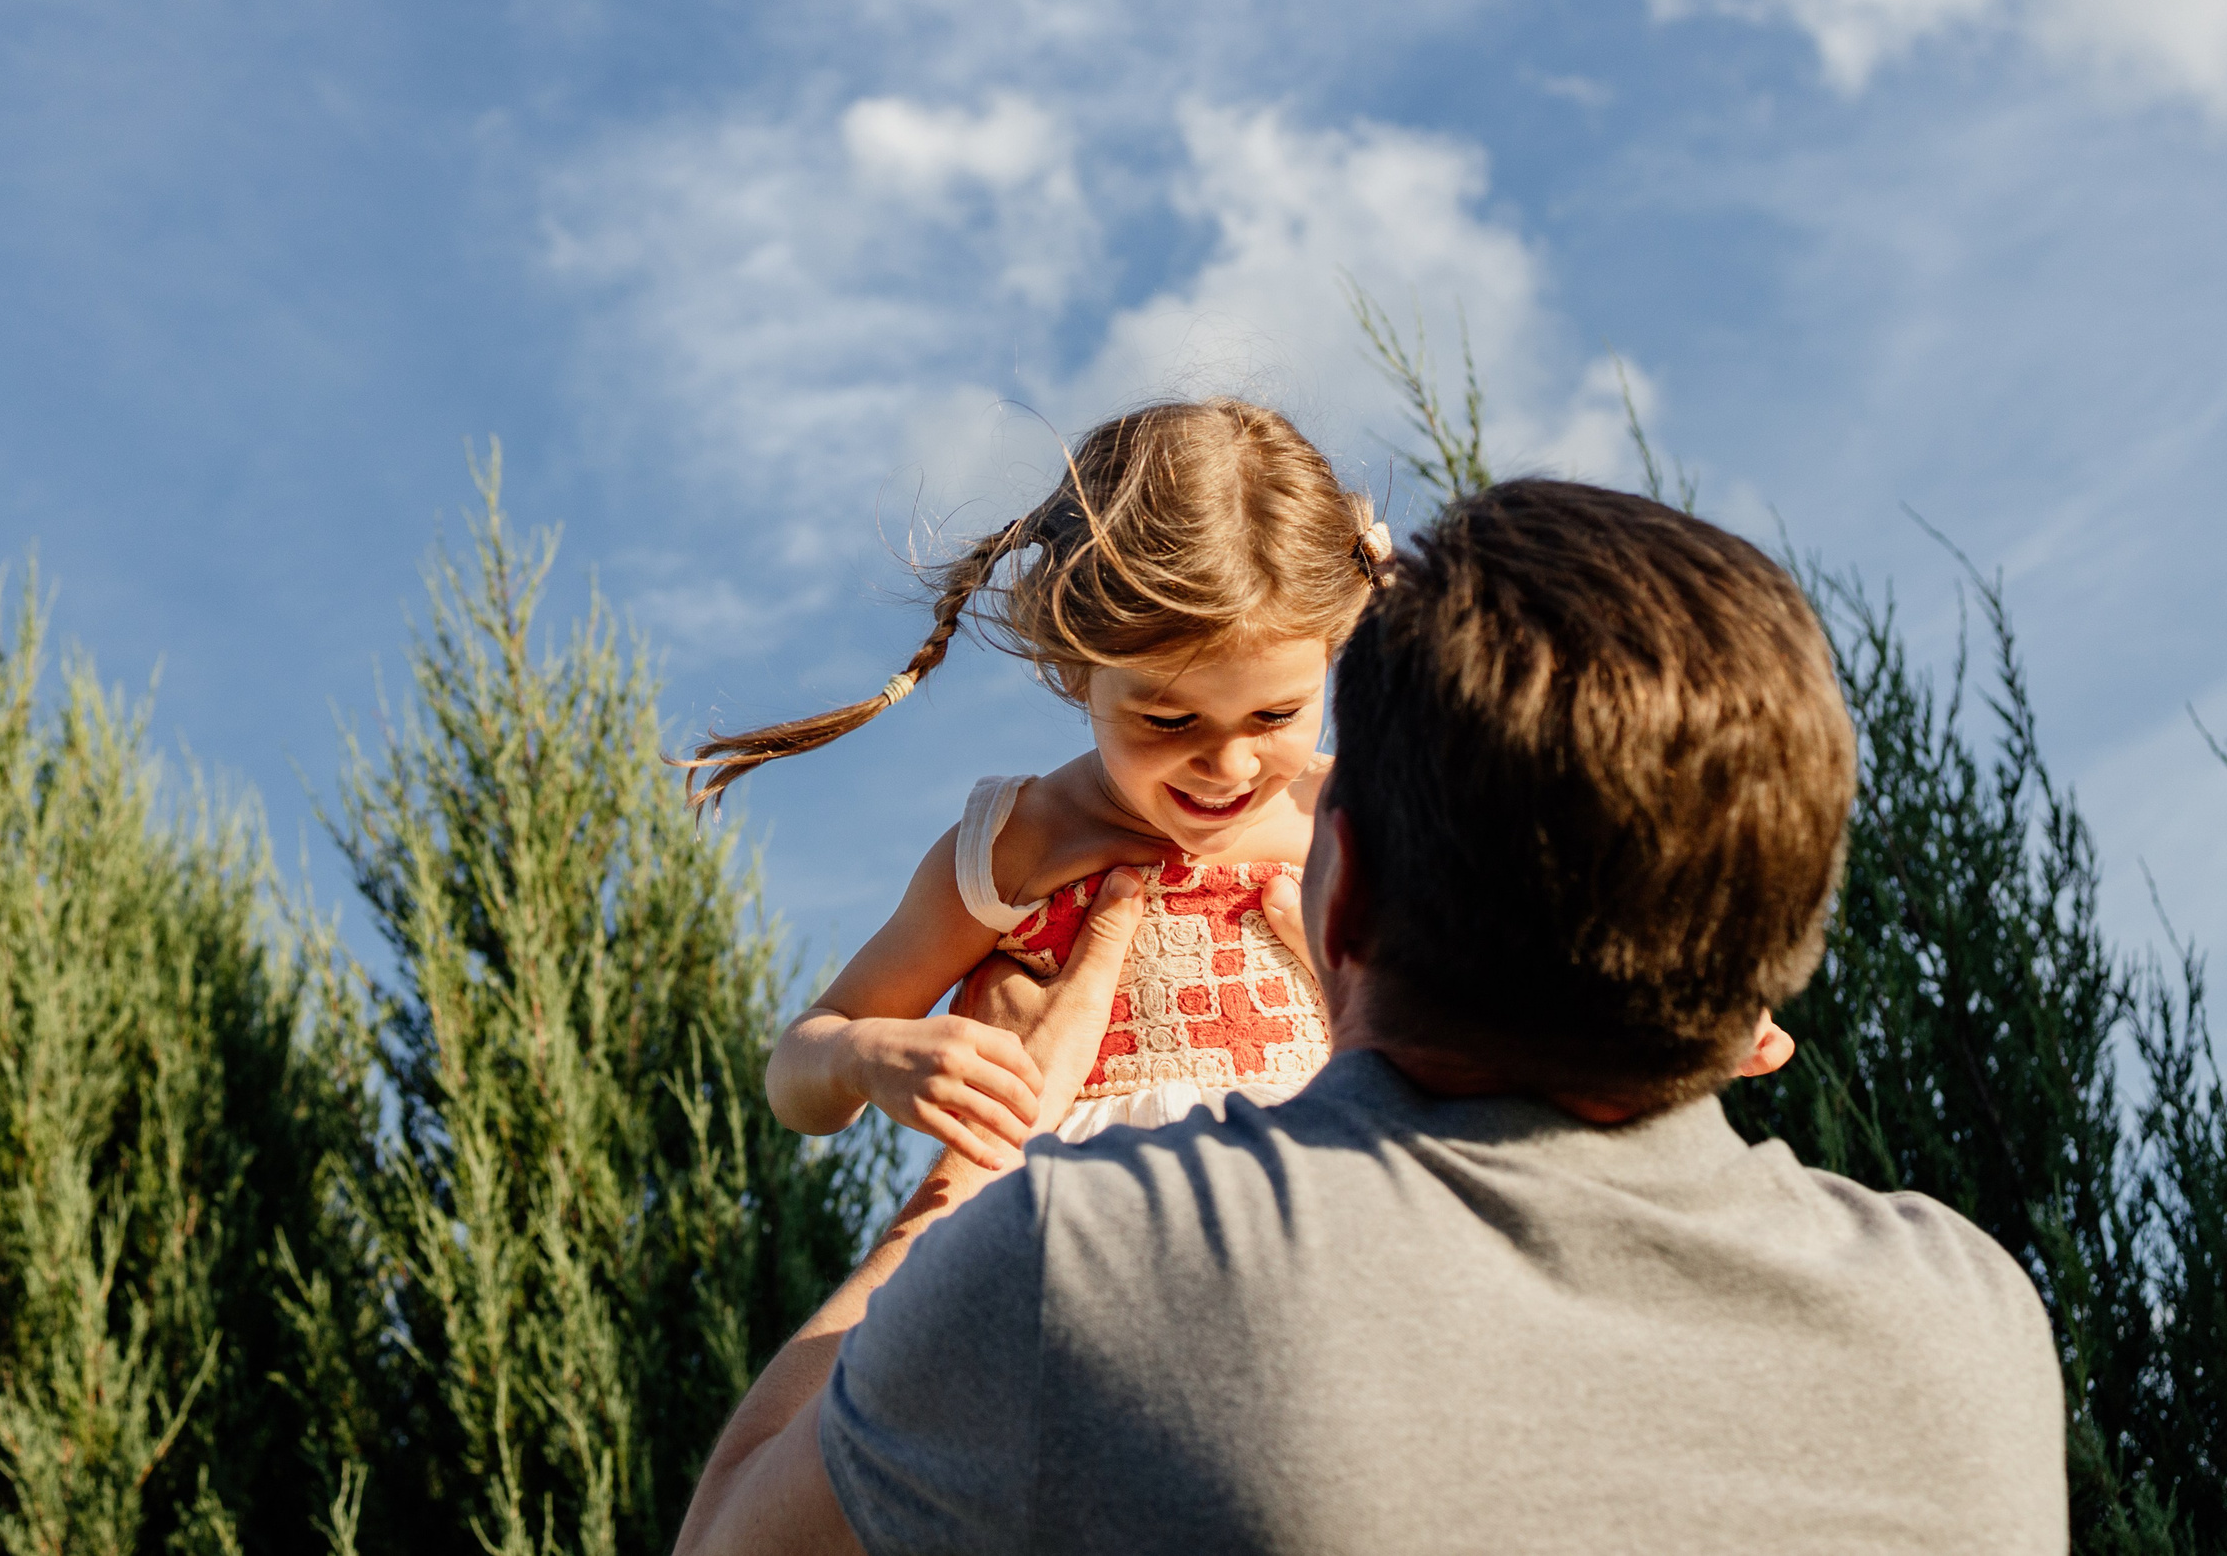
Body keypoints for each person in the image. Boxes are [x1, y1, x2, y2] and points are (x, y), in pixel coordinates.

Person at [674, 479, 2068, 1556]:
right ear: (1766, 957)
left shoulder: (1089, 1271)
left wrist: (966, 1185)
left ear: (1336, 903)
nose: (1227, 770)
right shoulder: (1976, 1330)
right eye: (1165, 718)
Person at [683, 398, 1377, 1160]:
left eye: (1276, 714)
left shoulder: (1356, 823)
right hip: (1086, 1242)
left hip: (1321, 1222)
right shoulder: (1018, 846)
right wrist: (868, 1056)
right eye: (1171, 722)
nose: (1229, 766)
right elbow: (799, 1070)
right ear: (1078, 669)